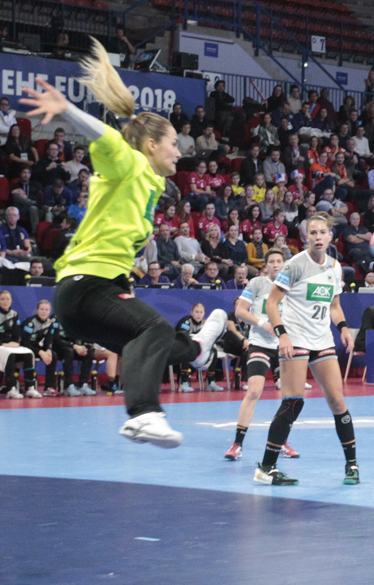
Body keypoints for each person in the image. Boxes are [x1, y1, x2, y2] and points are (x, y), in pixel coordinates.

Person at [20, 39, 228, 448]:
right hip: (84, 287)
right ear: (151, 145)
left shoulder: (149, 185)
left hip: (96, 290)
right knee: (152, 327)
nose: (179, 151)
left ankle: (198, 350)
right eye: (173, 143)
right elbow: (111, 140)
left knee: (155, 341)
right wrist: (66, 111)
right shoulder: (130, 165)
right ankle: (144, 414)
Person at [252, 214, 359, 486]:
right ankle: (267, 467)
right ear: (306, 237)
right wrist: (282, 335)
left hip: (321, 339)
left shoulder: (335, 268)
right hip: (295, 337)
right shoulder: (295, 265)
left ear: (330, 237)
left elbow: (334, 306)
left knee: (337, 401)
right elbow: (272, 305)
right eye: (313, 232)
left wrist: (344, 328)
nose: (318, 236)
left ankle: (352, 465)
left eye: (323, 232)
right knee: (293, 402)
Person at [225, 248, 297, 463]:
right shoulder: (257, 284)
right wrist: (262, 323)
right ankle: (237, 444)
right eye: (272, 261)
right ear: (266, 265)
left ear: (284, 264)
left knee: (289, 398)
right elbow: (240, 311)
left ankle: (281, 441)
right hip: (260, 344)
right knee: (254, 391)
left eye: (279, 261)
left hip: (283, 346)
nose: (276, 264)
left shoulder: (291, 286)